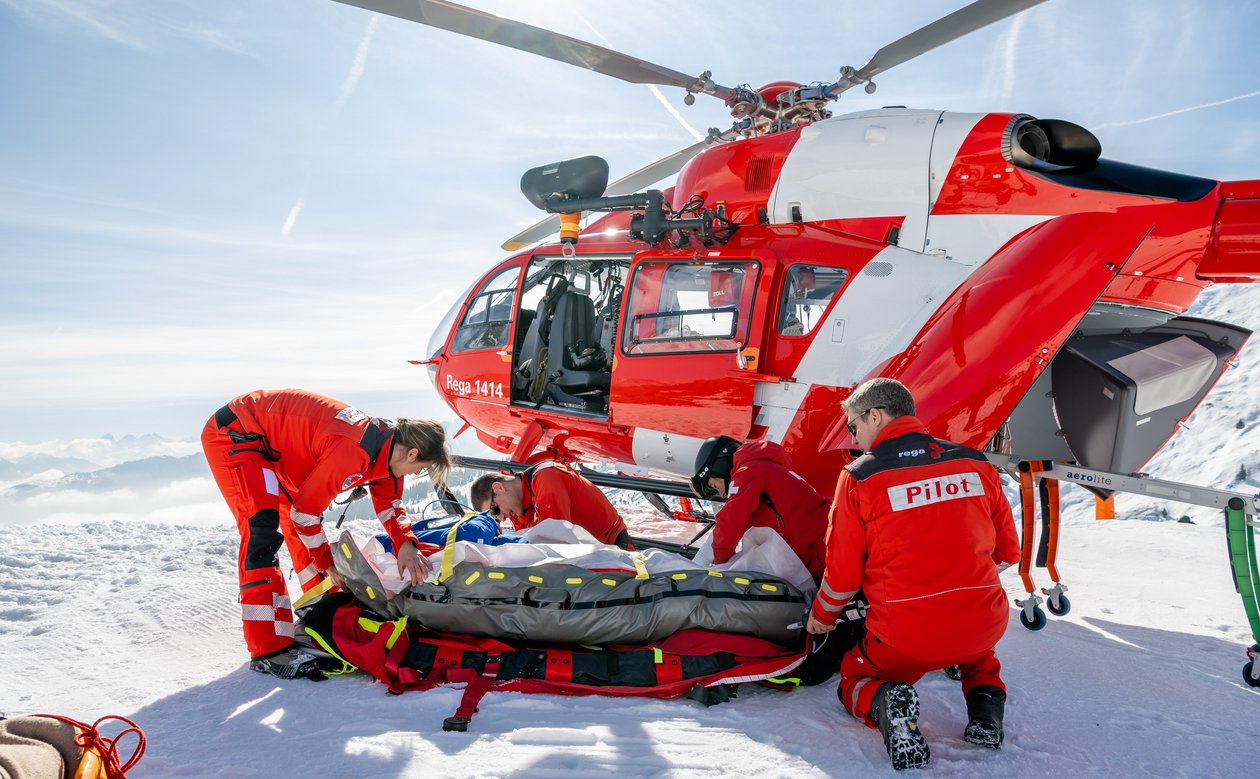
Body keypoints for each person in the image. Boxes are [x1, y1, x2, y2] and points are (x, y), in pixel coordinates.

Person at [806, 378, 1020, 770]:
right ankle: (986, 718)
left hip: (906, 635)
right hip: (984, 622)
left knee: (854, 678)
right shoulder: (975, 462)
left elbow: (843, 575)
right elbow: (1009, 552)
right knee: (979, 657)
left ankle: (886, 700)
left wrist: (821, 618)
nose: (854, 438)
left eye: (854, 427)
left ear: (876, 415)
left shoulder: (859, 476)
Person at [201, 389, 451, 680]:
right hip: (237, 434)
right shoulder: (353, 451)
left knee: (302, 534)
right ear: (411, 453)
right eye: (419, 468)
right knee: (262, 530)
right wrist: (326, 563)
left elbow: (390, 506)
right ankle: (268, 649)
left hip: (273, 445)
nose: (414, 474)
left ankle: (316, 614)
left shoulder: (385, 452)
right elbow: (305, 515)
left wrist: (405, 544)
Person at [690, 436, 830, 582]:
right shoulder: (764, 469)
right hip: (826, 552)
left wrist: (720, 567)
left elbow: (729, 524)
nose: (722, 494)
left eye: (714, 485)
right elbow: (726, 527)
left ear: (719, 467)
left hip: (828, 555)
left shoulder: (749, 471)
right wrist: (702, 558)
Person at [468, 462, 632, 548]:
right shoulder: (518, 509)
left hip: (615, 551)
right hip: (593, 557)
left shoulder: (546, 478)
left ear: (498, 487)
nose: (502, 519)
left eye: (495, 511)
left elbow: (555, 539)